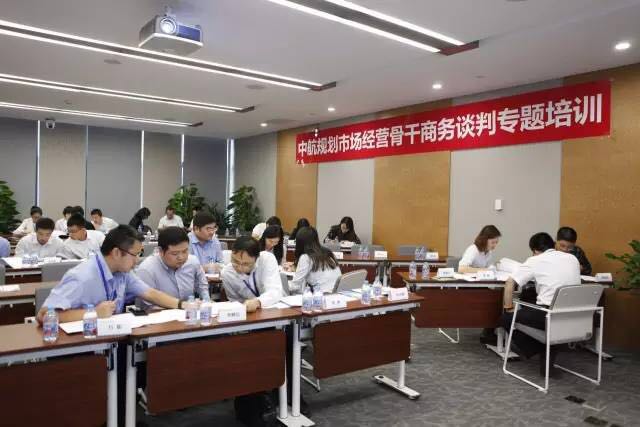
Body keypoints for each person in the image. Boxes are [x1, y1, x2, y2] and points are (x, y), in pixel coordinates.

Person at [37, 225, 187, 324]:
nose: (137, 260)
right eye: (134, 255)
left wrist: (182, 305)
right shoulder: (81, 277)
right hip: (82, 346)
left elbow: (150, 293)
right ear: (116, 253)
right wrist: (94, 313)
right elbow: (44, 315)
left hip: (110, 340)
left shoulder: (123, 272)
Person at [500, 232, 581, 375]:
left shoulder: (535, 260)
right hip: (575, 317)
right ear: (553, 244)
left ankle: (537, 349)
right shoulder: (573, 258)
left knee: (506, 318)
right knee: (534, 305)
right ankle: (546, 355)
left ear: (535, 251)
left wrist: (509, 307)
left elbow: (509, 283)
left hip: (550, 316)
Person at [136, 227, 209, 305]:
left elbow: (203, 288)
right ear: (160, 251)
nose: (181, 257)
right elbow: (147, 306)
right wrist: (180, 306)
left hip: (189, 310)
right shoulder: (147, 270)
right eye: (175, 254)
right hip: (160, 312)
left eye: (185, 251)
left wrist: (206, 302)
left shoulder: (192, 262)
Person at [290, 226, 341, 294]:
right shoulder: (327, 252)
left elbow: (295, 286)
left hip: (323, 295)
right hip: (339, 293)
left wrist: (284, 287)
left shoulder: (306, 257)